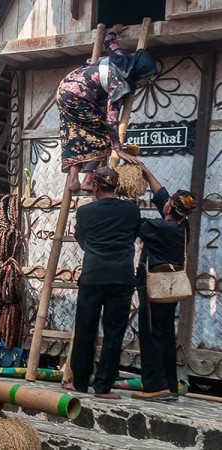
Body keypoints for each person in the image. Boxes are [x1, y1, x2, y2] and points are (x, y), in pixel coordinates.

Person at [68, 167, 141, 398]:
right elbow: (133, 235)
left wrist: (95, 250)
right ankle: (103, 387)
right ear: (116, 186)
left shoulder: (85, 211)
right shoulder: (131, 210)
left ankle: (79, 383)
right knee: (113, 333)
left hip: (93, 276)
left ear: (96, 186)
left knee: (84, 330)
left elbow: (81, 238)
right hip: (122, 278)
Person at [57, 26, 154, 193]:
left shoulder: (122, 57)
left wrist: (113, 30)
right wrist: (117, 148)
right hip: (79, 98)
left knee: (72, 133)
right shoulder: (120, 85)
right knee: (105, 135)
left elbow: (109, 41)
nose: (146, 83)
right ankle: (88, 179)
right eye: (145, 79)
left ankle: (74, 180)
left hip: (63, 90)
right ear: (137, 74)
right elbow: (111, 120)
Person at [133, 164, 196, 401]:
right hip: (171, 288)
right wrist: (146, 173)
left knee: (151, 334)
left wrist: (129, 199)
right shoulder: (182, 226)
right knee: (166, 334)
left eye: (168, 201)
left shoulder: (158, 227)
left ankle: (154, 386)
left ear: (171, 208)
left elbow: (133, 222)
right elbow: (161, 197)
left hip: (153, 287)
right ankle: (170, 385)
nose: (165, 201)